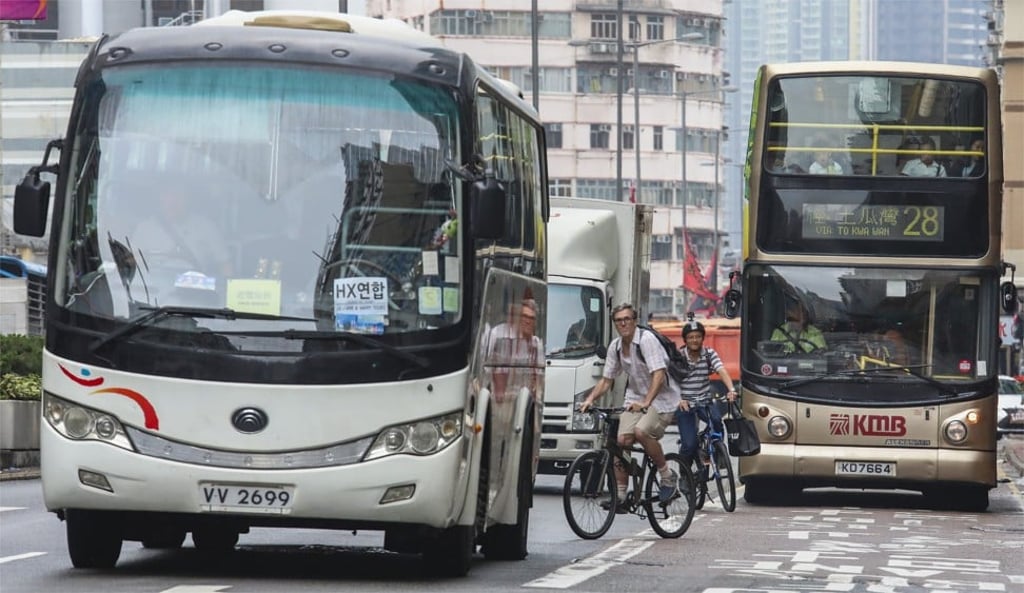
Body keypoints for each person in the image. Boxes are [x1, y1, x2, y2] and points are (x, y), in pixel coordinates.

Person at [578, 303, 682, 507]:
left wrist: (645, 403)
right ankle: (622, 495)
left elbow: (659, 375)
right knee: (621, 441)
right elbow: (606, 380)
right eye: (618, 320)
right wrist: (589, 400)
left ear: (635, 321)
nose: (623, 323)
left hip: (661, 400)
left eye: (627, 319)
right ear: (615, 323)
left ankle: (667, 475)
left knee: (642, 431)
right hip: (635, 398)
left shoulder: (646, 340)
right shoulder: (616, 347)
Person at [130, 180, 232, 278]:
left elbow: (225, 266)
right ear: (160, 198)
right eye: (168, 194)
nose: (173, 200)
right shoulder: (145, 228)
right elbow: (133, 265)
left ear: (188, 198)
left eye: (178, 194)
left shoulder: (206, 227)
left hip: (196, 290)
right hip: (156, 289)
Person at [674, 318, 739, 472]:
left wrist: (731, 390)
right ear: (685, 340)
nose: (694, 340)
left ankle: (718, 453)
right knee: (689, 444)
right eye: (690, 337)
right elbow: (671, 381)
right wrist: (679, 399)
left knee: (717, 421)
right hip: (685, 404)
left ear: (703, 338)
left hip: (704, 401)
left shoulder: (709, 354)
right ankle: (685, 474)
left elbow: (721, 370)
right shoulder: (679, 357)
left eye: (697, 336)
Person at [483, 298, 544, 402]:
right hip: (497, 400)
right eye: (525, 316)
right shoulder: (496, 334)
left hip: (524, 401)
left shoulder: (536, 343)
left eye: (531, 318)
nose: (528, 321)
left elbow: (540, 377)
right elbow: (484, 368)